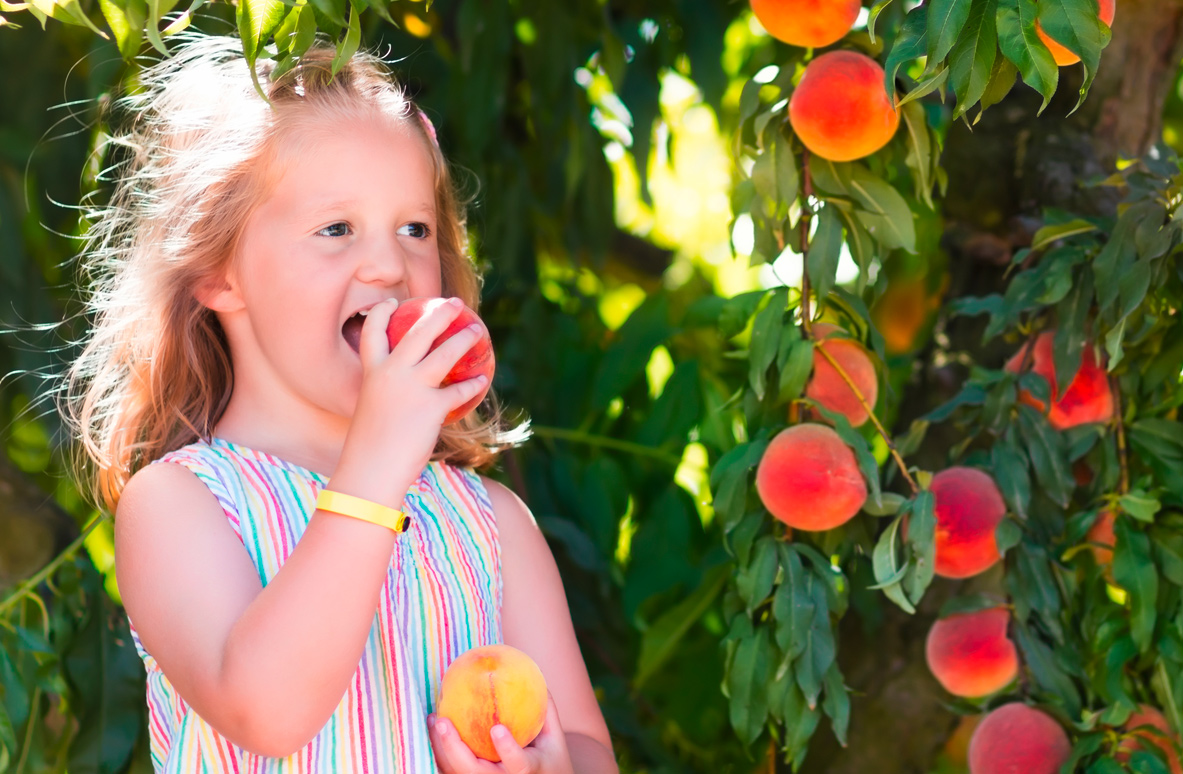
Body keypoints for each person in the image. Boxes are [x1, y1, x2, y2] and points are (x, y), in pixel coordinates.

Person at [61, 33, 616, 774]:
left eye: (414, 229)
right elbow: (265, 710)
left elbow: (584, 744)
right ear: (219, 274)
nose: (390, 265)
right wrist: (377, 465)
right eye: (335, 230)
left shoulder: (489, 524)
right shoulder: (182, 504)